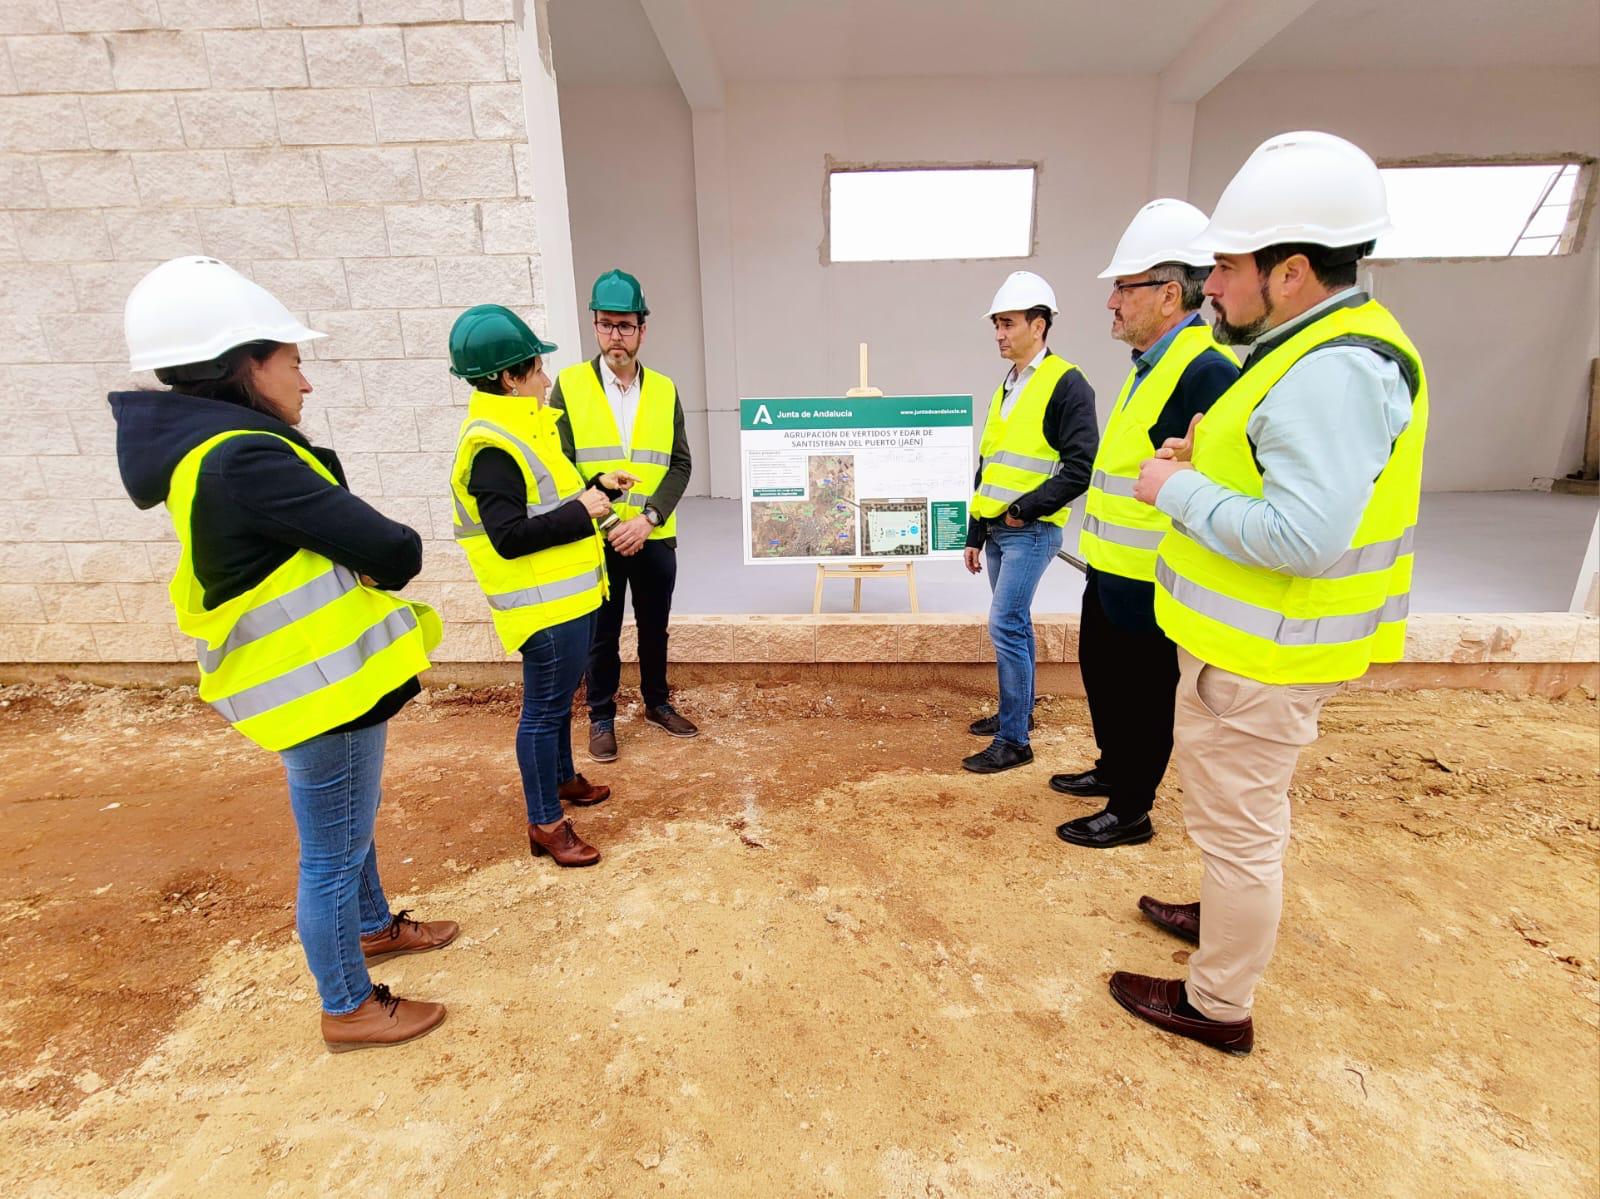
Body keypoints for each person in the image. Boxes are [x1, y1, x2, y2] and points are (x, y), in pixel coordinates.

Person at [1109, 132, 1428, 1055]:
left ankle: (1217, 1003)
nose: (1210, 284)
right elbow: (1281, 480)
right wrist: (1203, 457)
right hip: (1249, 646)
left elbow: (1306, 537)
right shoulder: (1309, 347)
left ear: (1290, 272)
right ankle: (1219, 915)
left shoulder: (1333, 369)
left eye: (1225, 266)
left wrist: (1180, 489)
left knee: (1243, 830)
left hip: (1266, 654)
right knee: (1226, 817)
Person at [112, 256, 454, 1053]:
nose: (308, 382)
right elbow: (390, 546)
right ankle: (348, 1005)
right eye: (294, 362)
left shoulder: (211, 450)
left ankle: (372, 926)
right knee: (331, 852)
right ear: (244, 365)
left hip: (324, 682)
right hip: (318, 690)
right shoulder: (243, 457)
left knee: (349, 824)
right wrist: (379, 552)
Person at [1054, 201, 1240, 849]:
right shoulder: (1154, 366)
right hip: (1110, 568)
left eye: (1123, 288)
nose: (1111, 302)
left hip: (1153, 579)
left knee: (1143, 698)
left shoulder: (1205, 370)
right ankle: (1112, 771)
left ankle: (1131, 808)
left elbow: (1215, 479)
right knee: (1104, 680)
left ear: (1168, 294)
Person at [447, 305, 633, 867]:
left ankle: (563, 778)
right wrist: (585, 511)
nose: (546, 378)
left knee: (556, 707)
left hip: (569, 598)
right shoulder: (493, 447)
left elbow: (549, 501)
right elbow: (509, 536)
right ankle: (547, 824)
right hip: (543, 609)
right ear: (510, 378)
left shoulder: (528, 428)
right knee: (543, 712)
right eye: (536, 368)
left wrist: (597, 487)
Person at [549, 269, 697, 763]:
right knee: (602, 633)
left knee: (655, 628)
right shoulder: (569, 387)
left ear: (642, 330)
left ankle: (657, 703)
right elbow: (559, 466)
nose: (616, 335)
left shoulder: (663, 388)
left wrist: (649, 518)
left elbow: (680, 463)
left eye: (626, 325)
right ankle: (601, 717)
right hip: (599, 538)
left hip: (654, 535)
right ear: (594, 326)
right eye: (607, 324)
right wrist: (613, 524)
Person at [962, 271, 1098, 773]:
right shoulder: (1011, 384)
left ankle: (1015, 740)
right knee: (1013, 625)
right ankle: (1015, 713)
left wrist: (1023, 511)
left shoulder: (1067, 383)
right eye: (996, 323)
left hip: (1030, 532)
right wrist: (977, 531)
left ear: (1039, 325)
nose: (999, 333)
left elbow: (1079, 466)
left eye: (1008, 322)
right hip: (998, 533)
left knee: (1005, 623)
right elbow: (990, 464)